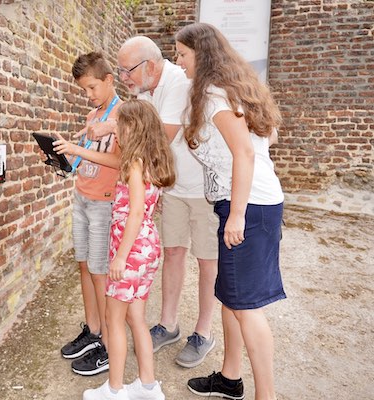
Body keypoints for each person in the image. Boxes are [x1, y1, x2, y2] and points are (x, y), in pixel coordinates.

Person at [175, 22, 286, 400]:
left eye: (182, 54)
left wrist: (236, 214)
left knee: (248, 307)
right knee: (233, 297)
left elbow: (244, 151)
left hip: (248, 208)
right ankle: (230, 377)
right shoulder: (236, 89)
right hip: (256, 203)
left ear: (201, 55)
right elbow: (268, 135)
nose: (179, 61)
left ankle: (265, 396)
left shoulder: (214, 94)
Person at [117, 36, 219, 368]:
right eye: (119, 72)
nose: (124, 78)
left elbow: (163, 135)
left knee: (207, 261)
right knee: (173, 253)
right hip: (174, 188)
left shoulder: (176, 81)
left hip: (203, 187)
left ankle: (203, 331)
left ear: (149, 64)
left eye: (126, 71)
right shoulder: (145, 91)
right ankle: (169, 324)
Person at [82, 99, 175, 400]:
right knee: (136, 318)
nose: (115, 130)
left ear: (132, 128)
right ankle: (148, 386)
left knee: (115, 319)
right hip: (147, 247)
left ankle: (114, 390)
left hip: (131, 251)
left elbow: (135, 212)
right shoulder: (148, 160)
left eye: (120, 125)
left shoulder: (135, 164)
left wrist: (120, 257)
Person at [58, 52, 122, 377]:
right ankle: (94, 331)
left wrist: (78, 149)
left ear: (109, 80)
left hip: (103, 204)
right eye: (85, 90)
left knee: (100, 273)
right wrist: (66, 159)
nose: (89, 95)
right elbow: (87, 159)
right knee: (84, 265)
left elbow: (122, 163)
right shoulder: (92, 114)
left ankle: (110, 348)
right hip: (82, 197)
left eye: (93, 87)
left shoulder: (123, 114)